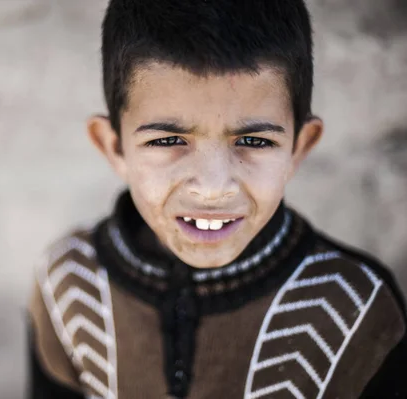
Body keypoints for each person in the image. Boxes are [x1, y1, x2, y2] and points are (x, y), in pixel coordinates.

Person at [26, 0, 407, 397]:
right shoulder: (68, 283)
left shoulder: (355, 307)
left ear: (299, 148)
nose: (213, 187)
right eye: (168, 140)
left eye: (254, 141)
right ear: (114, 147)